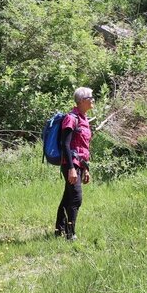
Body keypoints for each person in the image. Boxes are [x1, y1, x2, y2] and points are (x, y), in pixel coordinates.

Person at [55, 87, 94, 241]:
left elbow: (83, 146)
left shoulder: (83, 118)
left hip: (79, 163)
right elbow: (66, 145)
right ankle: (71, 234)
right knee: (76, 198)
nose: (93, 100)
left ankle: (59, 230)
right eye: (91, 97)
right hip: (70, 164)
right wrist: (71, 168)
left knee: (68, 197)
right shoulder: (71, 118)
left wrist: (86, 169)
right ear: (82, 100)